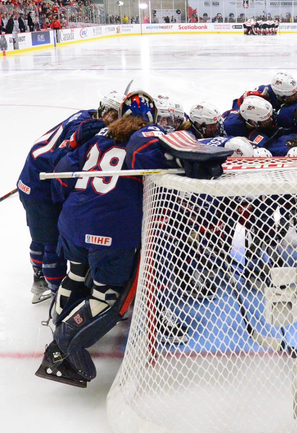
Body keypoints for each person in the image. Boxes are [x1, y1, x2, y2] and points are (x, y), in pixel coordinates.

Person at [36, 92, 230, 387]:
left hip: (73, 220)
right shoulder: (147, 135)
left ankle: (57, 324)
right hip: (110, 229)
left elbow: (62, 174)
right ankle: (63, 347)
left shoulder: (98, 136)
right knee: (107, 296)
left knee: (75, 274)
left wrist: (79, 206)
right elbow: (159, 156)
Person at [17, 90, 123, 304]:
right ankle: (57, 294)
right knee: (51, 242)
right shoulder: (90, 130)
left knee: (40, 236)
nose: (114, 120)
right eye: (112, 115)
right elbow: (63, 161)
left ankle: (40, 276)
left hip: (31, 177)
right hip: (41, 185)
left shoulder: (86, 115)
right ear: (104, 111)